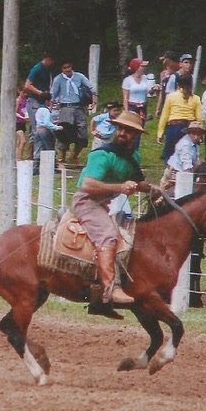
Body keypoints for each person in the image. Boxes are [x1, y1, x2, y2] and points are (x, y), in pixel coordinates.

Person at [72, 110, 153, 319]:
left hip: (103, 206)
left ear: (136, 135)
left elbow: (137, 181)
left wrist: (153, 189)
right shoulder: (102, 154)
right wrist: (120, 187)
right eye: (120, 128)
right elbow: (87, 185)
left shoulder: (132, 157)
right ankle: (110, 289)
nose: (122, 133)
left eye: (128, 130)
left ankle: (102, 298)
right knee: (108, 236)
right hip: (87, 202)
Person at [49, 60, 96, 166]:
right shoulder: (58, 79)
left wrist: (94, 101)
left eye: (69, 67)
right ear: (62, 69)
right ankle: (62, 156)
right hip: (65, 107)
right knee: (64, 132)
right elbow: (53, 95)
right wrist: (50, 109)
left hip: (79, 107)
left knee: (82, 133)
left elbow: (91, 88)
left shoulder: (79, 76)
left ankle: (75, 154)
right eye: (64, 68)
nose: (67, 70)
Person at [156, 73, 202, 163]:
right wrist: (199, 132)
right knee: (188, 151)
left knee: (170, 153)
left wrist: (160, 132)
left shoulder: (171, 97)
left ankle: (171, 169)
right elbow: (199, 118)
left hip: (174, 127)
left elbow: (164, 115)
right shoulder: (196, 98)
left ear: (178, 84)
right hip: (189, 128)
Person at [161, 121, 205, 191]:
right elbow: (187, 168)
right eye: (193, 134)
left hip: (179, 172)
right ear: (189, 133)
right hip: (175, 174)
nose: (196, 137)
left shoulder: (194, 143)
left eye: (198, 134)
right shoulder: (186, 145)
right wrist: (197, 165)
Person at [21, 53, 54, 130]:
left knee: (42, 125)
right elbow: (27, 85)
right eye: (51, 61)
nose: (52, 63)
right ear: (47, 59)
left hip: (42, 102)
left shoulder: (47, 70)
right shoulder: (37, 69)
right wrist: (41, 93)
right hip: (34, 101)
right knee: (37, 127)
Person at [30, 103, 62, 173]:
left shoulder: (38, 110)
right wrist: (56, 127)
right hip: (44, 131)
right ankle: (53, 167)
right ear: (47, 101)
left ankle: (35, 167)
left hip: (38, 130)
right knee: (50, 149)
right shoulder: (46, 110)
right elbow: (46, 123)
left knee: (38, 149)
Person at [153, 50, 180, 121]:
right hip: (166, 102)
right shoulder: (164, 74)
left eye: (165, 60)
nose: (163, 62)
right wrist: (158, 108)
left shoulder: (180, 73)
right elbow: (162, 91)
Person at [15, 93, 29, 159]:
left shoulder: (26, 101)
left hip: (23, 123)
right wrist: (21, 117)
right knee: (23, 141)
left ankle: (17, 156)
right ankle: (19, 158)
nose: (25, 94)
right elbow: (15, 112)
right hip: (17, 122)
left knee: (19, 141)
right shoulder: (18, 100)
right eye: (23, 92)